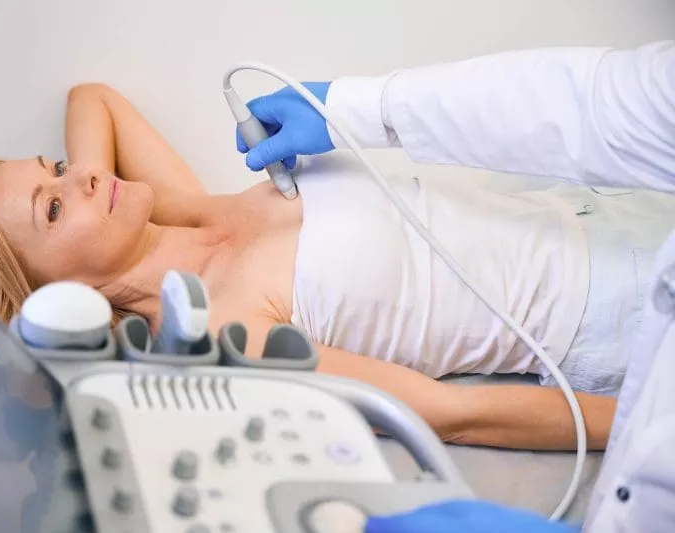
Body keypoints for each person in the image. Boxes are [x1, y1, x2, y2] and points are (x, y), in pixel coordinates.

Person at [0, 54, 673, 455]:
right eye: (53, 205)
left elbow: (94, 96)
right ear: (51, 297)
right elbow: (456, 413)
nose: (78, 174)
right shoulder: (232, 332)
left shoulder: (194, 209)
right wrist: (651, 425)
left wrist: (85, 207)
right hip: (614, 312)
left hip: (614, 205)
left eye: (55, 165)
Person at [233, 40, 675, 532]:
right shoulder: (221, 324)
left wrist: (345, 108)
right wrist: (353, 109)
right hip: (608, 301)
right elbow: (596, 106)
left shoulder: (190, 214)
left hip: (610, 233)